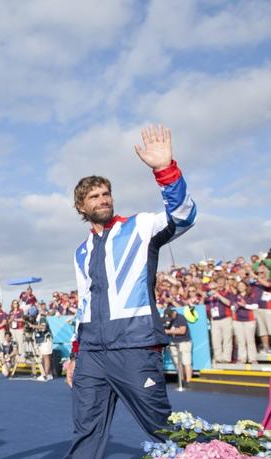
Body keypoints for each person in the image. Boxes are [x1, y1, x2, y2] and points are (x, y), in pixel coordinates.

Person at [64, 125, 197, 459]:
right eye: (94, 196)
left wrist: (165, 170)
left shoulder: (140, 226)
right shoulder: (80, 252)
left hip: (134, 346)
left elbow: (183, 216)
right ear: (81, 206)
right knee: (86, 430)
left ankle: (212, 453)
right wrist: (75, 355)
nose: (104, 199)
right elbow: (84, 307)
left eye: (106, 193)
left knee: (162, 427)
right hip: (92, 354)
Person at [204, 280, 234, 363]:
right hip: (214, 320)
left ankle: (227, 358)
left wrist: (219, 296)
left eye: (214, 288)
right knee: (216, 340)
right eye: (210, 289)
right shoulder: (208, 298)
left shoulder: (225, 293)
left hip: (226, 319)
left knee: (227, 339)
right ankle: (218, 358)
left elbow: (229, 303)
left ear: (217, 288)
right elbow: (203, 307)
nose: (212, 290)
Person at [231, 281, 258, 364]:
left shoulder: (251, 295)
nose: (240, 287)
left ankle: (252, 359)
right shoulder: (235, 296)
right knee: (241, 341)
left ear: (246, 286)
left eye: (242, 285)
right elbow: (232, 307)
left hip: (249, 321)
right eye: (239, 285)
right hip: (238, 321)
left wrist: (244, 305)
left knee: (250, 340)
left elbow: (255, 306)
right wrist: (234, 306)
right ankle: (242, 358)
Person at [164, 308, 192, 384]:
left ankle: (189, 381)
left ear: (173, 313)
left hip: (184, 342)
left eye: (170, 316)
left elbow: (182, 331)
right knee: (177, 363)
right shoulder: (169, 320)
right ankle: (181, 380)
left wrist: (168, 331)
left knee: (186, 362)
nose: (169, 319)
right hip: (174, 343)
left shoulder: (181, 317)